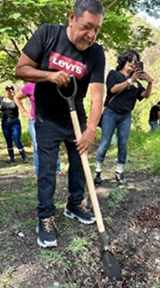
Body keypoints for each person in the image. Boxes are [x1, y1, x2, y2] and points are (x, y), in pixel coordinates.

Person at [15, 0, 106, 248]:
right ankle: (45, 217)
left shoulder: (96, 53)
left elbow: (98, 96)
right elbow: (21, 69)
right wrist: (49, 76)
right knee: (46, 171)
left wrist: (89, 131)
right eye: (87, 26)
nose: (91, 35)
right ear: (71, 18)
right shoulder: (47, 34)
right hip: (46, 118)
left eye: (96, 29)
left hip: (76, 118)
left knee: (79, 165)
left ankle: (75, 205)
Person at [93, 50, 152, 187]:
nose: (132, 64)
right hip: (111, 113)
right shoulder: (114, 74)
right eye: (130, 60)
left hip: (126, 115)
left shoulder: (136, 82)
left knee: (123, 144)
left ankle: (119, 172)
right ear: (124, 61)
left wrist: (149, 83)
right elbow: (112, 89)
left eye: (135, 62)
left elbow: (145, 95)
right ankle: (98, 171)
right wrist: (130, 80)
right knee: (105, 143)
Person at [0, 85, 27, 163]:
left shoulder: (16, 99)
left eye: (10, 90)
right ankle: (11, 158)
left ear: (13, 91)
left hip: (15, 122)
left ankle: (24, 157)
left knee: (16, 140)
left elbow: (22, 106)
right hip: (5, 123)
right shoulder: (1, 100)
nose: (8, 92)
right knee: (8, 141)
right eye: (7, 90)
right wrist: (0, 110)